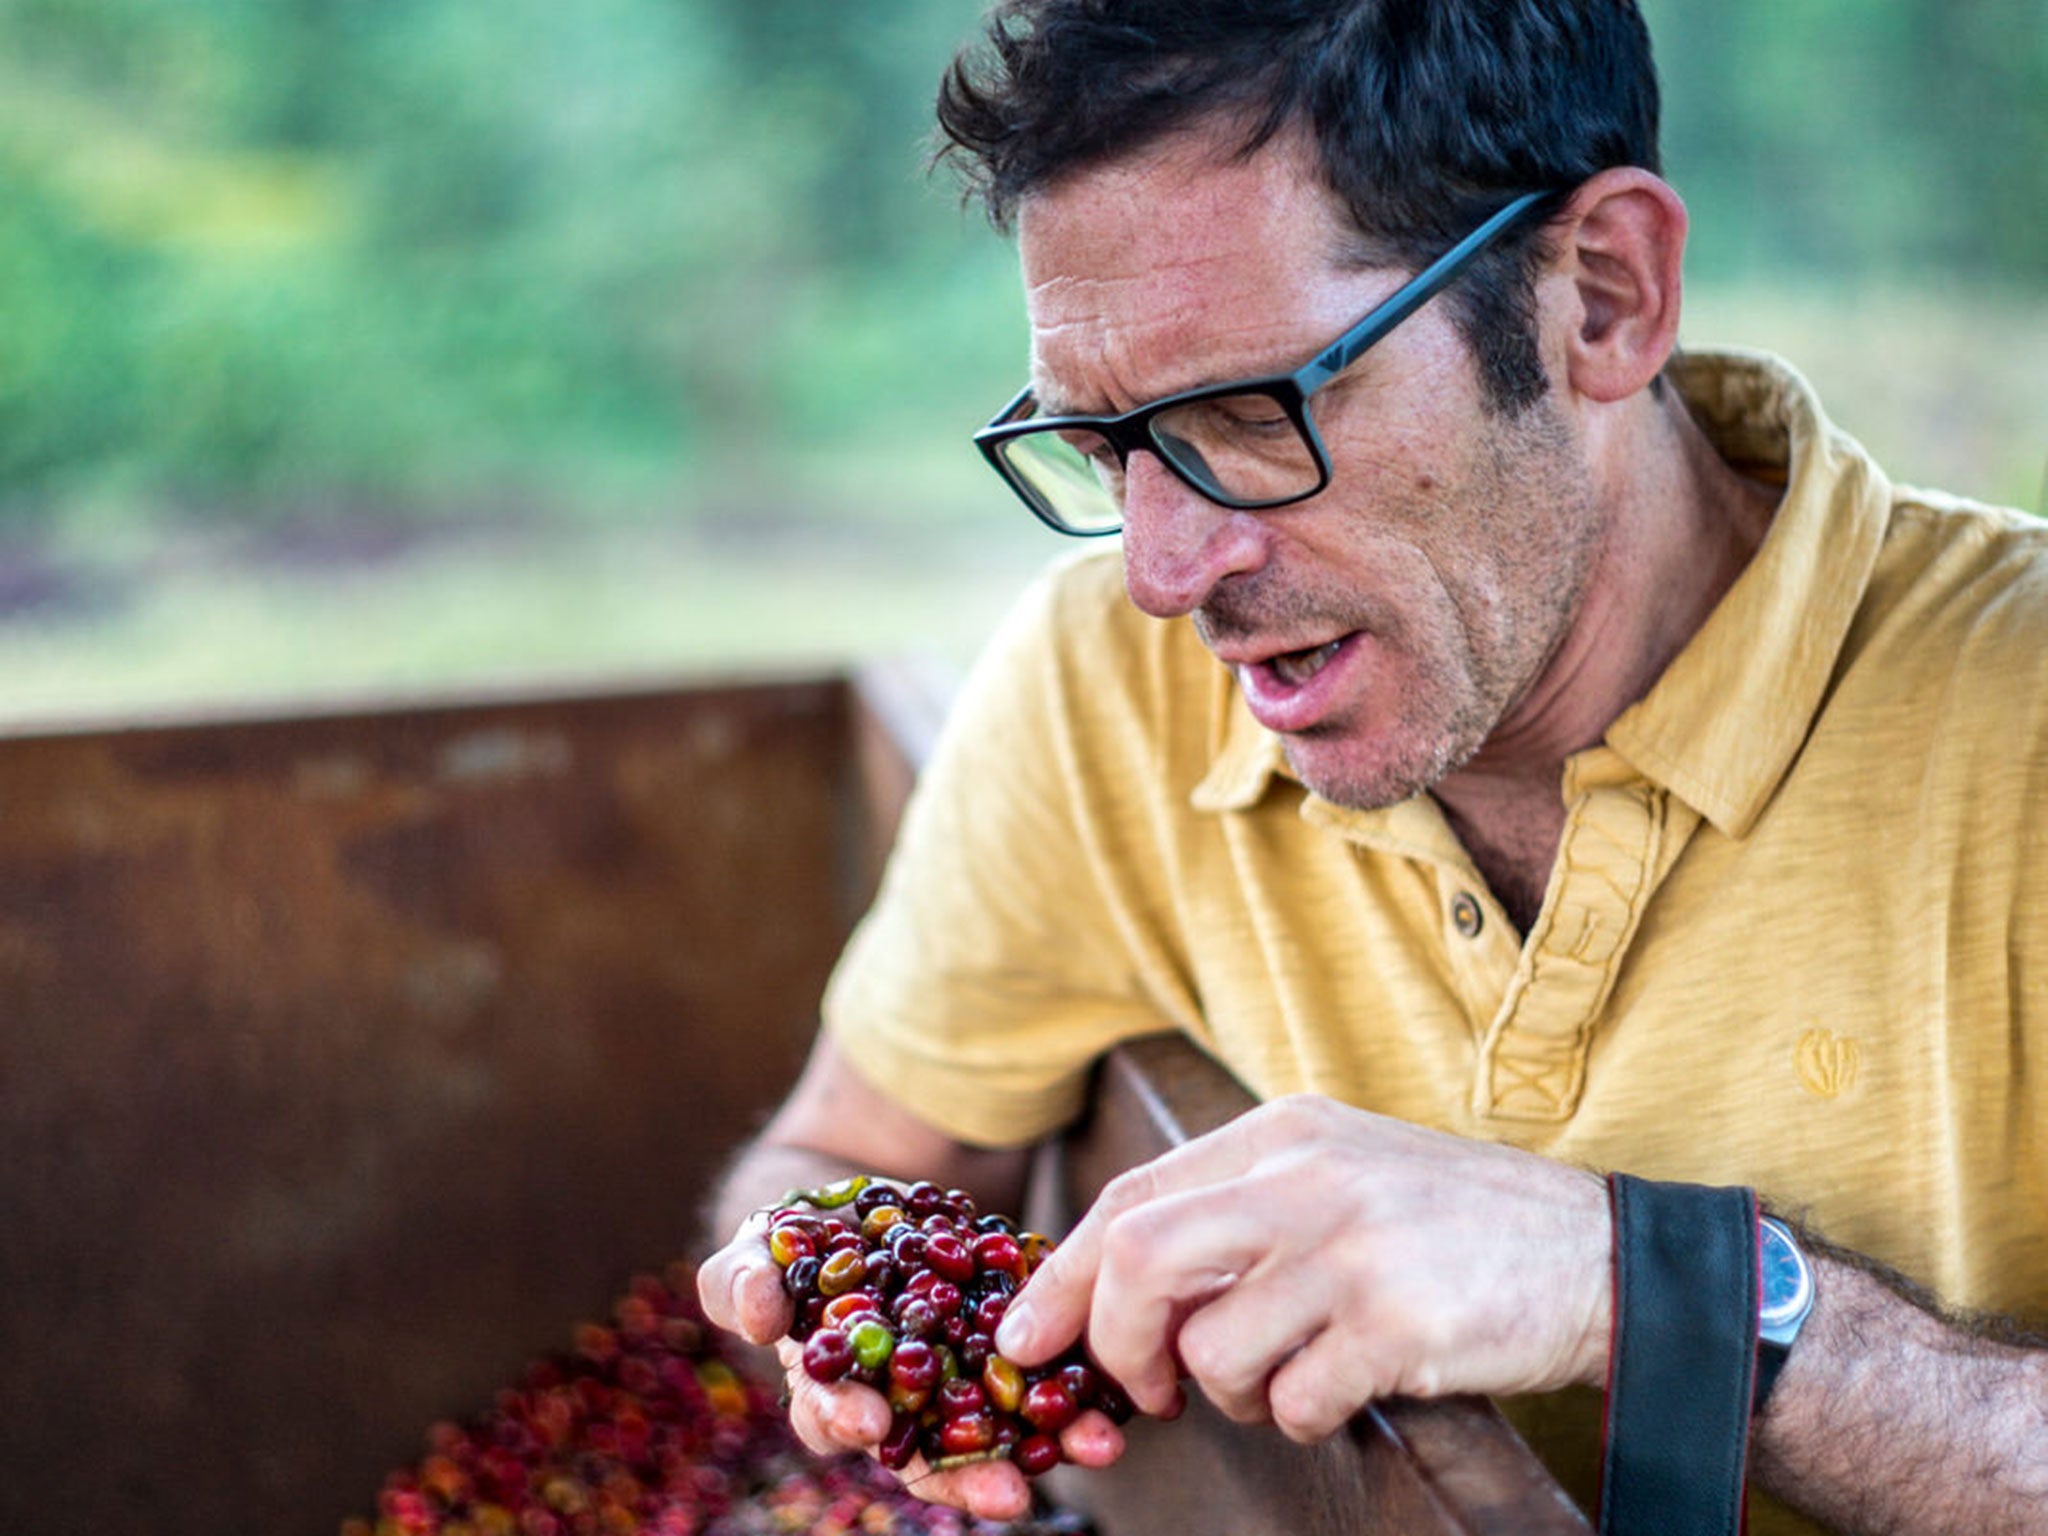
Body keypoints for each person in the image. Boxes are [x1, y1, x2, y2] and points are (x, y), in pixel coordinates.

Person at [699, 4, 2048, 1532]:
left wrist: (1646, 1287)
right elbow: (833, 1155)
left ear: (1603, 298)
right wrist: (835, 1288)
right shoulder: (1104, 687)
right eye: (1102, 448)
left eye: (1242, 415)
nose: (1159, 571)